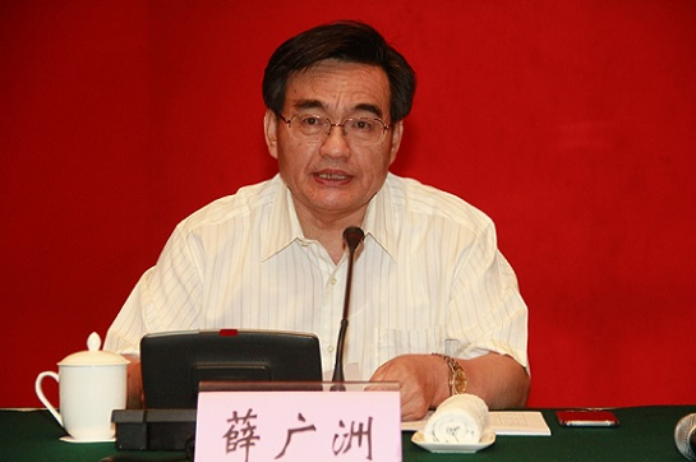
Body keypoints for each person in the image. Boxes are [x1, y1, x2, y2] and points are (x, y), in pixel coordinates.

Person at [104, 20, 530, 421]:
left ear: (394, 140)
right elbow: (122, 372)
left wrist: (438, 377)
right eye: (311, 121)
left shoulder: (456, 234)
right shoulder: (205, 241)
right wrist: (180, 377)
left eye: (362, 124)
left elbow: (511, 377)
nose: (336, 148)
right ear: (272, 132)